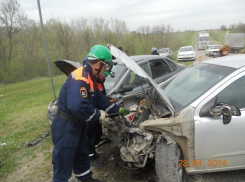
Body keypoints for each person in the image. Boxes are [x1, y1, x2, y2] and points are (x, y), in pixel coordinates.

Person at [51, 45, 130, 182]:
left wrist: (117, 109)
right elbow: (78, 107)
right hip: (66, 127)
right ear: (98, 64)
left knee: (81, 155)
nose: (105, 71)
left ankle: (86, 179)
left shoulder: (90, 78)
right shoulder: (80, 78)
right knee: (63, 161)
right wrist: (98, 115)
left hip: (78, 126)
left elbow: (100, 99)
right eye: (105, 67)